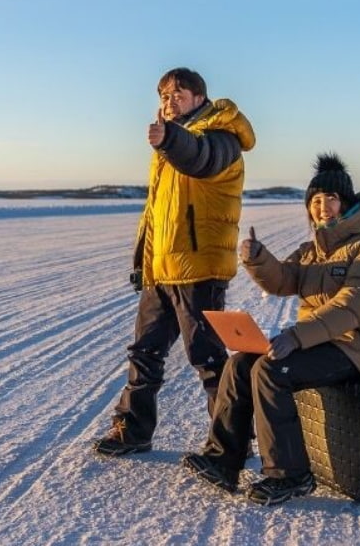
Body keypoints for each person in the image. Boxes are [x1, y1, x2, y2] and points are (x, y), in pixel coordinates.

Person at [182, 153, 360, 506]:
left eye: (330, 198)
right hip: (318, 342)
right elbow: (283, 280)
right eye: (315, 201)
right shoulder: (312, 252)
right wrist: (258, 259)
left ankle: (290, 474)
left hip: (356, 348)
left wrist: (296, 337)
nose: (322, 207)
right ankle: (223, 459)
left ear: (346, 203)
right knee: (239, 364)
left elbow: (352, 309)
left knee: (272, 369)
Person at [93, 67, 256, 456]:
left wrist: (170, 139)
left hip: (199, 271)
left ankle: (232, 442)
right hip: (162, 271)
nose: (169, 102)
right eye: (164, 96)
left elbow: (200, 158)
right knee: (144, 352)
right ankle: (133, 431)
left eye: (178, 95)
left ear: (199, 98)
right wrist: (142, 263)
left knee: (209, 358)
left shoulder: (223, 138)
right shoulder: (168, 151)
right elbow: (155, 214)